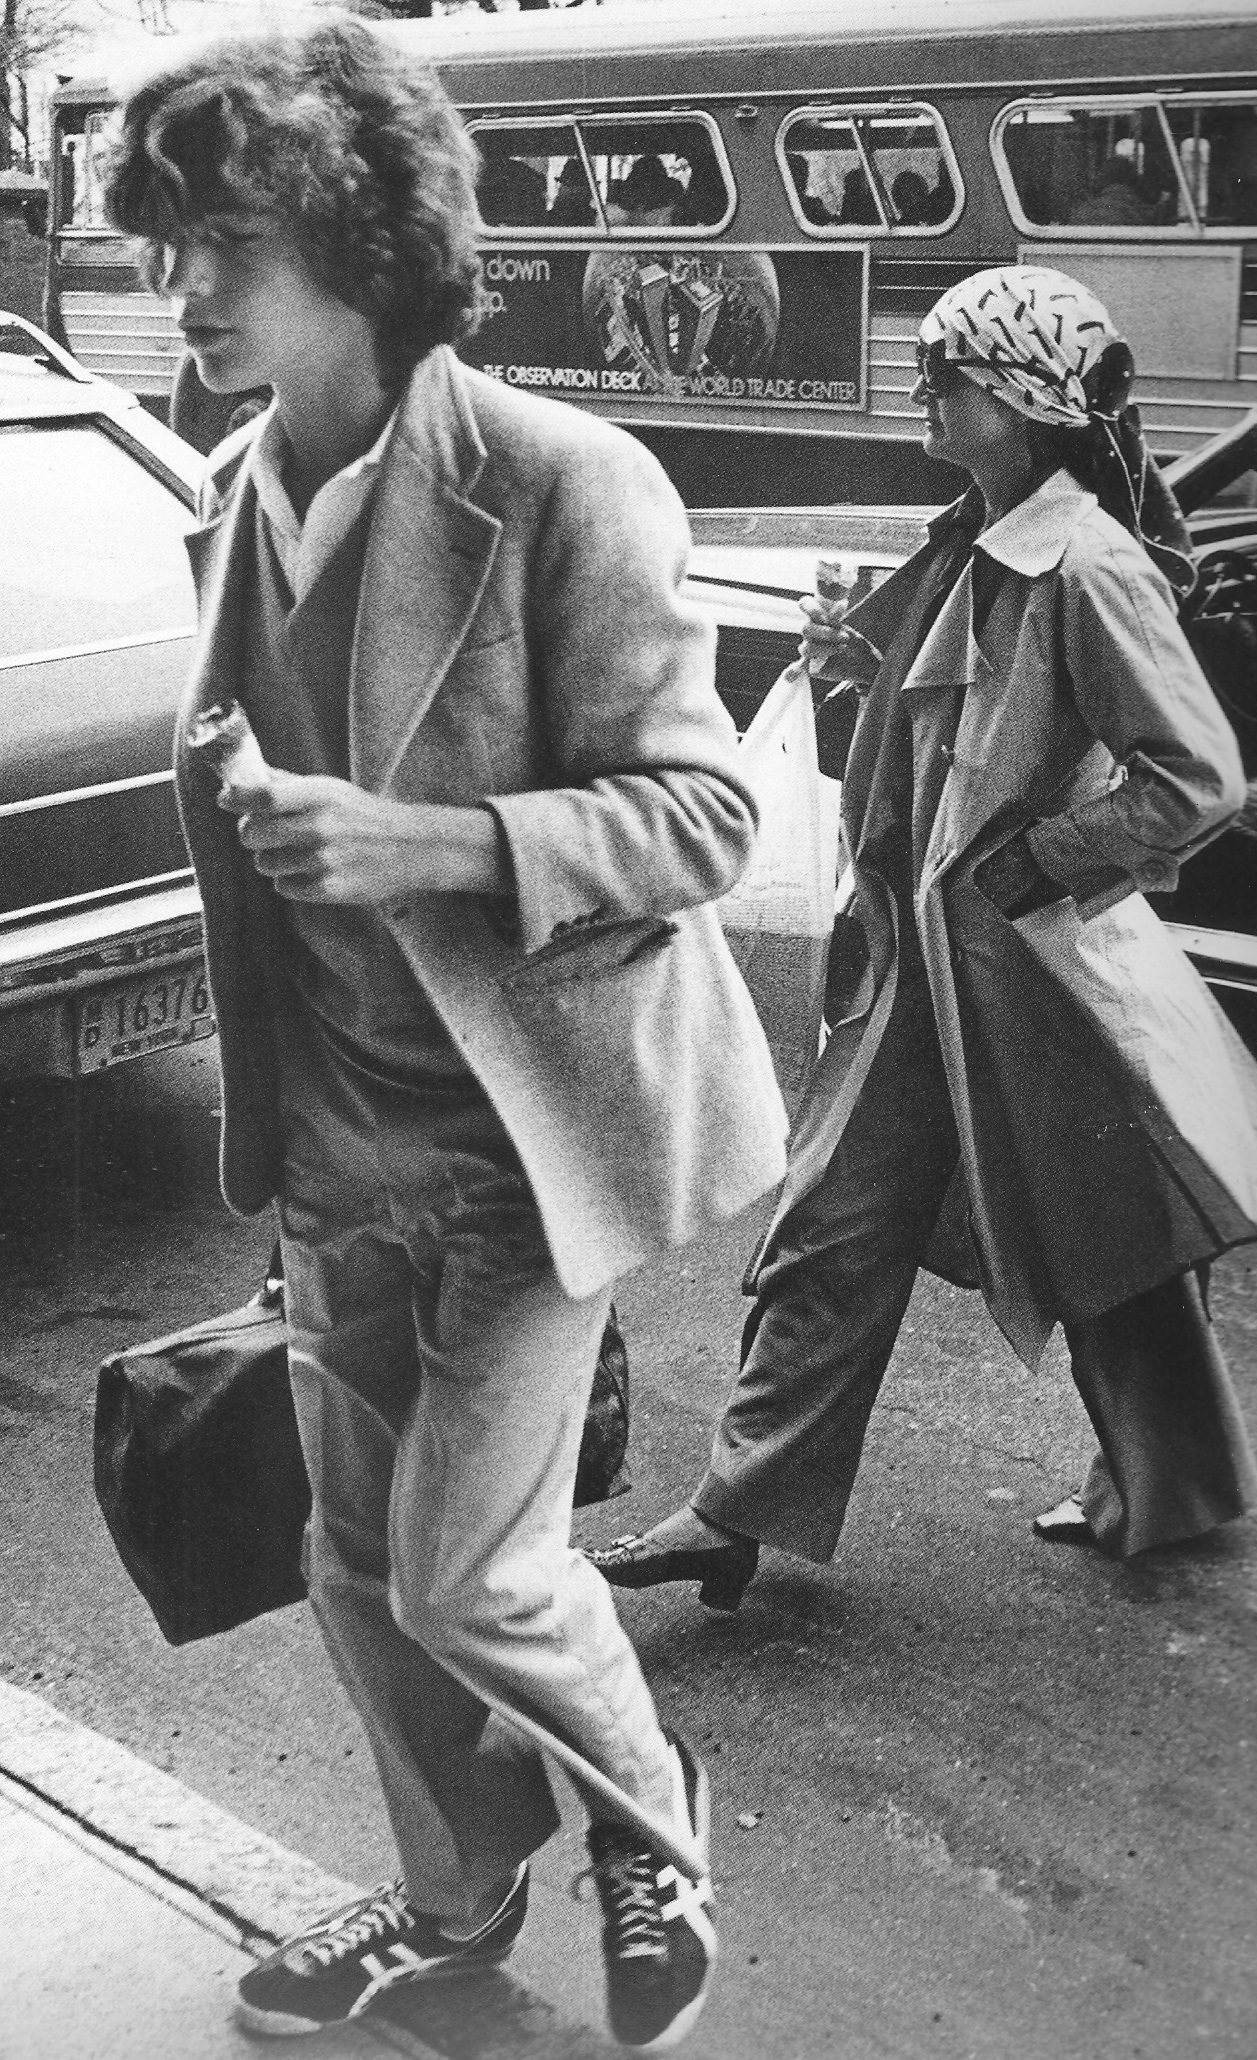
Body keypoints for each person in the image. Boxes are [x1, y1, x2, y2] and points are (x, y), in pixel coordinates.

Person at [103, 20, 788, 2049]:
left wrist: (430, 841)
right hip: (338, 1158)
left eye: (229, 233)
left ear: (361, 241)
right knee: (346, 1562)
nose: (186, 286)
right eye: (165, 238)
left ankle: (655, 1818)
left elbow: (708, 819)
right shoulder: (230, 492)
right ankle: (449, 1906)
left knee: (470, 1575)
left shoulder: (563, 479)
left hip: (522, 1153)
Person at [588, 263, 1257, 1609]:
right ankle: (741, 1508)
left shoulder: (1086, 566)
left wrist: (1030, 862)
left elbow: (1195, 777)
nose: (924, 390)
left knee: (1107, 1232)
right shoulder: (980, 537)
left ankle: (1174, 1482)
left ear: (1024, 400)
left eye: (951, 374)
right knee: (843, 1222)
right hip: (940, 969)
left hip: (1031, 972)